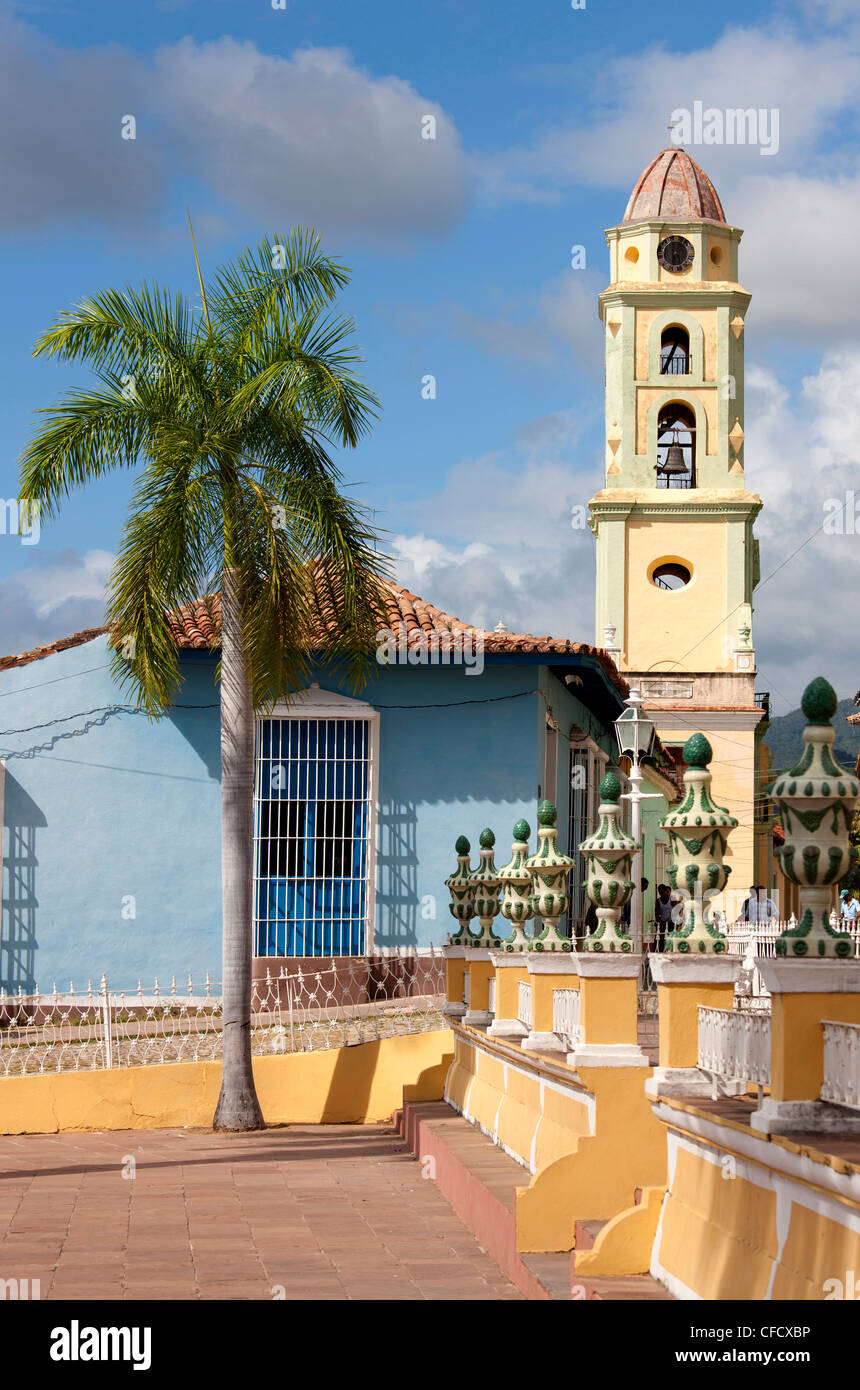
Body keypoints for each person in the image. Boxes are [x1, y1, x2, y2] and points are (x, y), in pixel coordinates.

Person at [654, 883, 675, 950]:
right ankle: (657, 950)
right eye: (660, 893)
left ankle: (670, 950)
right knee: (659, 937)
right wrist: (659, 921)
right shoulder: (658, 901)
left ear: (666, 891)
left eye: (663, 892)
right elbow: (657, 913)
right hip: (662, 921)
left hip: (671, 922)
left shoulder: (672, 899)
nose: (661, 894)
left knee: (671, 937)